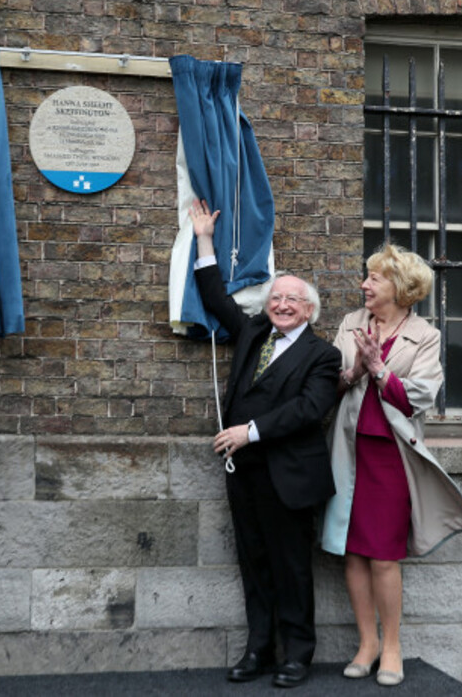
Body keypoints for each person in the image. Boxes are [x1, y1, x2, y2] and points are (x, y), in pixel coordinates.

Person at [189, 198, 341, 688]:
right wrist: (204, 239)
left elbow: (307, 410)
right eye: (276, 298)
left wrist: (247, 432)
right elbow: (216, 299)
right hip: (246, 475)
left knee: (292, 568)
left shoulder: (324, 355)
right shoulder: (255, 333)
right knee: (253, 564)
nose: (281, 304)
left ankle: (297, 655)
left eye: (292, 299)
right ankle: (259, 649)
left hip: (291, 476)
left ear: (310, 309)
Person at [320, 243, 462, 687]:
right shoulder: (351, 324)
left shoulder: (424, 335)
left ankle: (391, 646)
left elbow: (420, 396)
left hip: (390, 455)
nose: (365, 285)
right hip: (348, 449)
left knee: (383, 555)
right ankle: (366, 643)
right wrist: (354, 372)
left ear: (401, 287)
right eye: (366, 277)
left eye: (375, 278)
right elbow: (327, 385)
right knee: (350, 549)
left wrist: (379, 369)